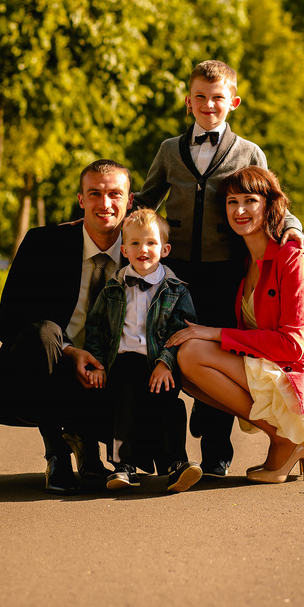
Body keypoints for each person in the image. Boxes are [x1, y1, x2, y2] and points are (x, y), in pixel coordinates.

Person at [133, 59, 304, 478]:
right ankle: (169, 455)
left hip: (226, 272)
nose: (208, 105)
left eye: (217, 98)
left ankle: (216, 456)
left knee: (219, 353)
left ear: (233, 102)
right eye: (200, 97)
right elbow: (146, 199)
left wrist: (292, 227)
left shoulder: (249, 152)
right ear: (188, 101)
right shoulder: (169, 150)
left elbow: (269, 198)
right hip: (175, 274)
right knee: (167, 349)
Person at [167, 165, 304, 483]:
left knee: (192, 353)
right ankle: (283, 438)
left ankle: (284, 438)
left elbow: (292, 345)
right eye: (232, 202)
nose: (240, 210)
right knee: (182, 365)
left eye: (250, 200)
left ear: (269, 205)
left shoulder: (292, 255)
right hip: (274, 362)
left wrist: (214, 334)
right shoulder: (244, 260)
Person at [0, 159, 134, 495]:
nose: (105, 203)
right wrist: (69, 352)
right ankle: (56, 452)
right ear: (81, 199)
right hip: (50, 370)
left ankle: (95, 448)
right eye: (95, 194)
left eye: (115, 194)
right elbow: (8, 322)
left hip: (112, 375)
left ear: (130, 201)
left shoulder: (143, 251)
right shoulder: (44, 243)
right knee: (43, 331)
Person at [84, 208, 202, 493]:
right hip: (123, 361)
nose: (143, 249)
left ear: (165, 249)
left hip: (159, 363)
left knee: (170, 405)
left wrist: (166, 363)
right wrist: (97, 363)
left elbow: (183, 332)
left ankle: (176, 464)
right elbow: (96, 328)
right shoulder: (112, 288)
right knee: (122, 402)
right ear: (124, 250)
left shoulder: (176, 290)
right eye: (135, 243)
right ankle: (123, 466)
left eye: (151, 242)